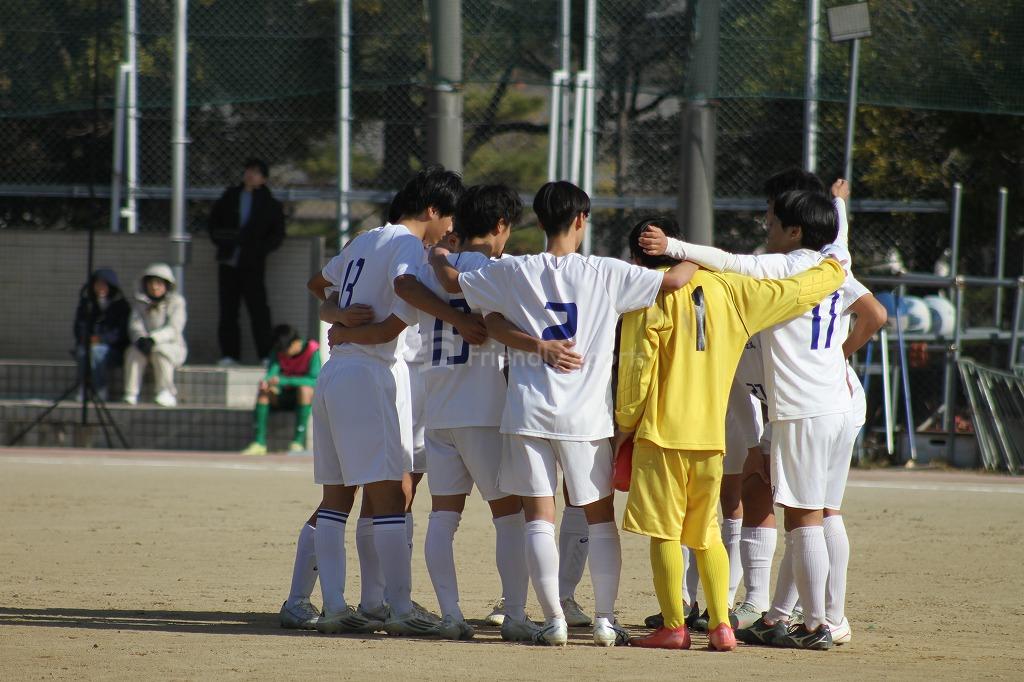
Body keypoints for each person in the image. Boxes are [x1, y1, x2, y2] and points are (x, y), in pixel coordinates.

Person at [429, 180, 696, 647]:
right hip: (585, 416)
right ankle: (605, 620)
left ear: (538, 220)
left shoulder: (516, 269)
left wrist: (436, 255)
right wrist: (692, 251)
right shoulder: (605, 270)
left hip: (527, 412)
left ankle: (553, 620)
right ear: (580, 219)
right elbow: (675, 279)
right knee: (599, 518)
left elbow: (458, 288)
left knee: (538, 518)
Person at [640, 189, 860, 650]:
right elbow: (840, 242)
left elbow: (727, 260)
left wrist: (673, 247)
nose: (767, 229)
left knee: (804, 519)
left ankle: (815, 624)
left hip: (802, 408)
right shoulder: (836, 261)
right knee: (827, 511)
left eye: (773, 222)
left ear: (795, 231)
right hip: (841, 402)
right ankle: (824, 617)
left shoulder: (783, 265)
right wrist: (839, 204)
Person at [302, 165, 474, 636]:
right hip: (369, 374)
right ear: (433, 210)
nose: (450, 229)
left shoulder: (364, 238)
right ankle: (399, 608)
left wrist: (337, 317)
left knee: (336, 498)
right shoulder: (408, 247)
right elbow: (390, 323)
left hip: (334, 374)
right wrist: (347, 327)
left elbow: (319, 285)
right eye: (449, 218)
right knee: (389, 498)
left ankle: (334, 605)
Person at [208, 158, 285, 366]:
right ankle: (229, 355)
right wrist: (224, 241)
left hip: (253, 264)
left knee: (258, 309)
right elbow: (213, 223)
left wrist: (259, 250)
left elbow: (277, 234)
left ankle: (265, 354)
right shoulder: (230, 197)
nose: (251, 175)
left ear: (264, 178)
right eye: (248, 170)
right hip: (228, 261)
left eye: (256, 172)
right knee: (228, 309)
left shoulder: (269, 203)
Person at [241, 325, 320, 455]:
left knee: (305, 390)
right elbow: (272, 373)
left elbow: (315, 380)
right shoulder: (278, 351)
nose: (282, 354)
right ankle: (259, 443)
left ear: (296, 343)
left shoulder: (312, 350)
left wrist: (284, 380)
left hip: (301, 399)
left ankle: (298, 442)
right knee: (264, 392)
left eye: (285, 349)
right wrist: (266, 382)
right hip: (281, 396)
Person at [123, 263, 187, 407]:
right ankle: (131, 393)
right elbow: (134, 325)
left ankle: (166, 391)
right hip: (146, 343)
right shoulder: (140, 302)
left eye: (159, 283)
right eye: (151, 283)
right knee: (133, 352)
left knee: (160, 352)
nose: (154, 287)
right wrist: (140, 339)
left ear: (166, 285)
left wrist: (154, 339)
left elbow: (174, 328)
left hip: (173, 346)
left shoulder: (177, 302)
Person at [73, 267, 130, 402]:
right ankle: (83, 389)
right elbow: (79, 327)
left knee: (97, 352)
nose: (101, 288)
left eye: (104, 284)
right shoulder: (87, 304)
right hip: (89, 345)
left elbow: (121, 332)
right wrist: (87, 339)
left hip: (113, 350)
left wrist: (101, 339)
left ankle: (100, 390)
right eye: (98, 284)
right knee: (82, 352)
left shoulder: (121, 306)